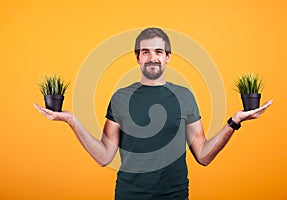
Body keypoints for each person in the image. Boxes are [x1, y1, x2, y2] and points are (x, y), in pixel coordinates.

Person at [34, 27, 273, 200]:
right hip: (130, 195)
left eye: (158, 52)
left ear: (167, 57)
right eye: (146, 52)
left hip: (175, 196)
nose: (152, 58)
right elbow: (104, 156)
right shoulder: (120, 97)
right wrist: (71, 120)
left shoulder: (185, 96)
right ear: (137, 57)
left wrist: (235, 122)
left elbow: (203, 155)